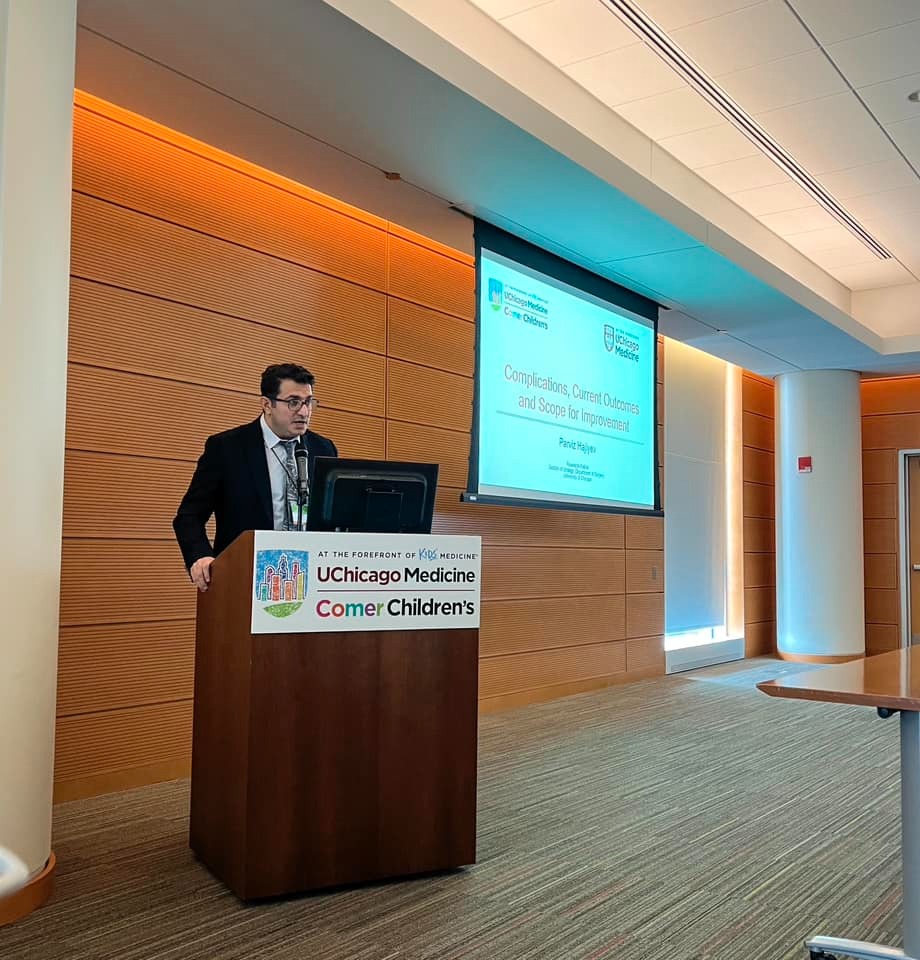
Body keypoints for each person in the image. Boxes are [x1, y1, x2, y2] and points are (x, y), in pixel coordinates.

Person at [173, 363, 337, 591]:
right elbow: (189, 516)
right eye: (293, 402)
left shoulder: (323, 448)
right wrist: (200, 556)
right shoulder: (227, 448)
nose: (304, 412)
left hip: (311, 577)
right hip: (244, 577)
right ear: (267, 404)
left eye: (308, 402)